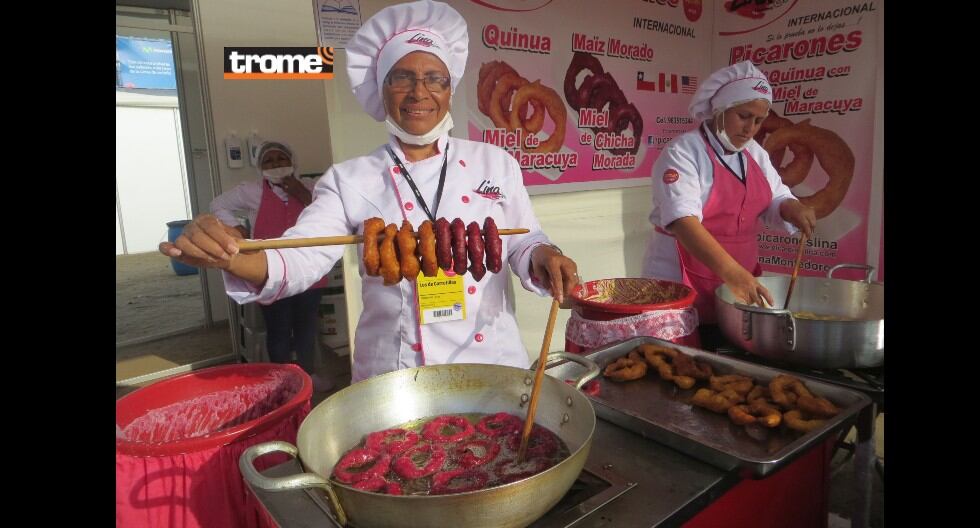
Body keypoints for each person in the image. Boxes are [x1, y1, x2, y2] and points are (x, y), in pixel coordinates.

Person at [160, 0, 579, 383]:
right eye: (403, 78)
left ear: (450, 90)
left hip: (492, 364)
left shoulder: (496, 163)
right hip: (396, 373)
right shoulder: (349, 179)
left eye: (435, 78)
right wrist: (230, 257)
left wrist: (544, 256)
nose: (420, 92)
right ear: (381, 90)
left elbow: (523, 241)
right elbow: (301, 256)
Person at [641, 61, 816, 339]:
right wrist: (732, 273)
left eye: (758, 121)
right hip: (681, 279)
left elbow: (775, 194)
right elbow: (682, 222)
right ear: (720, 109)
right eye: (744, 115)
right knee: (680, 356)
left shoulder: (754, 153)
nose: (750, 129)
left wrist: (790, 206)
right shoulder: (684, 152)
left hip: (736, 281)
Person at [208, 140, 335, 392]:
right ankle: (282, 383)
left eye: (281, 160)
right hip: (270, 272)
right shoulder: (252, 191)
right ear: (260, 167)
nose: (276, 165)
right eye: (269, 161)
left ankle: (307, 378)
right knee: (278, 329)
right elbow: (217, 204)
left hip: (309, 271)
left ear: (292, 162)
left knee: (306, 328)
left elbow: (329, 213)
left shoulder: (311, 188)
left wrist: (299, 190)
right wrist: (237, 228)